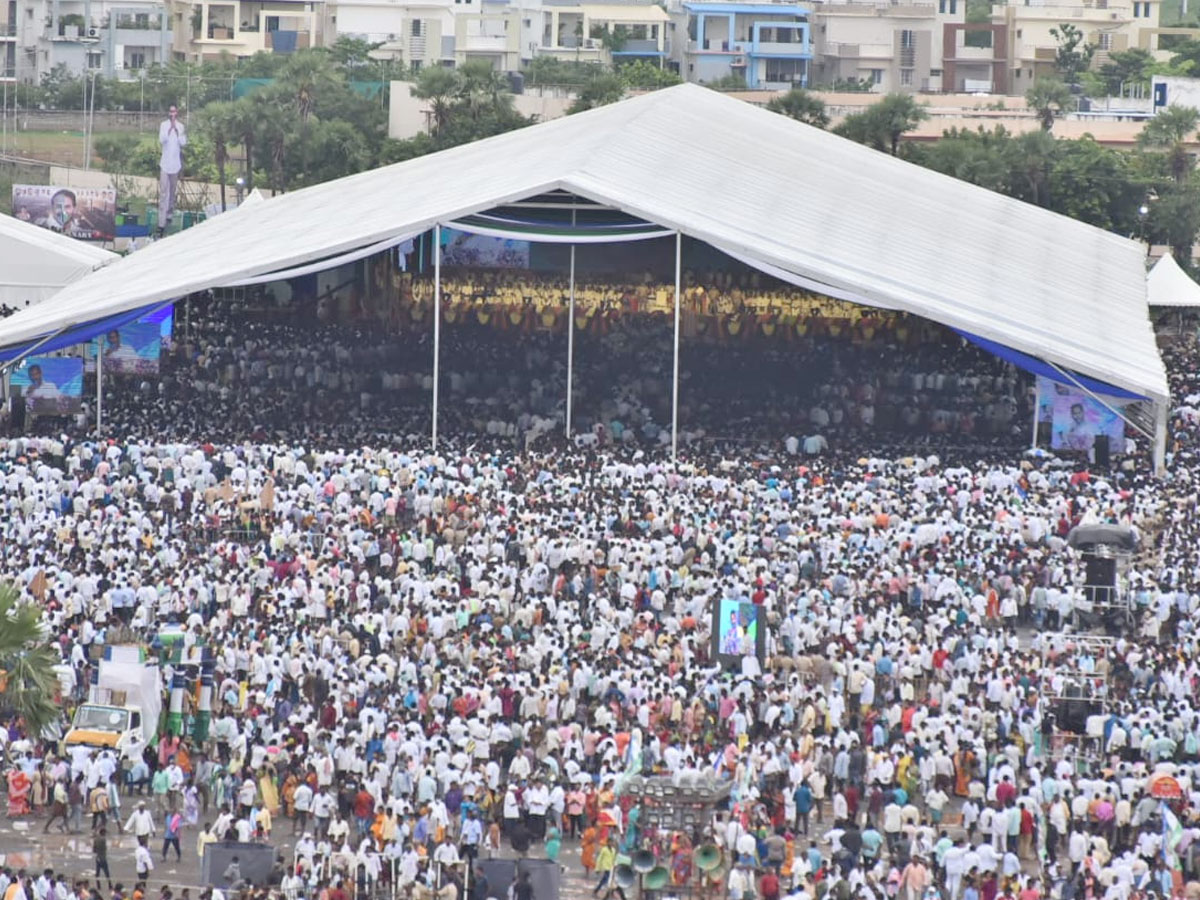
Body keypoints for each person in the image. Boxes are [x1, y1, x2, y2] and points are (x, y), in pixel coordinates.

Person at [158, 104, 187, 233]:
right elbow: (161, 140)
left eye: (174, 111)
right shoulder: (163, 125)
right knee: (164, 192)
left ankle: (169, 214)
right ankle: (161, 222)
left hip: (175, 165)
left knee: (172, 192)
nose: (172, 113)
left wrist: (177, 131)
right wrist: (170, 129)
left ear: (177, 113)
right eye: (170, 111)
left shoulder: (181, 127)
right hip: (165, 164)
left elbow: (183, 143)